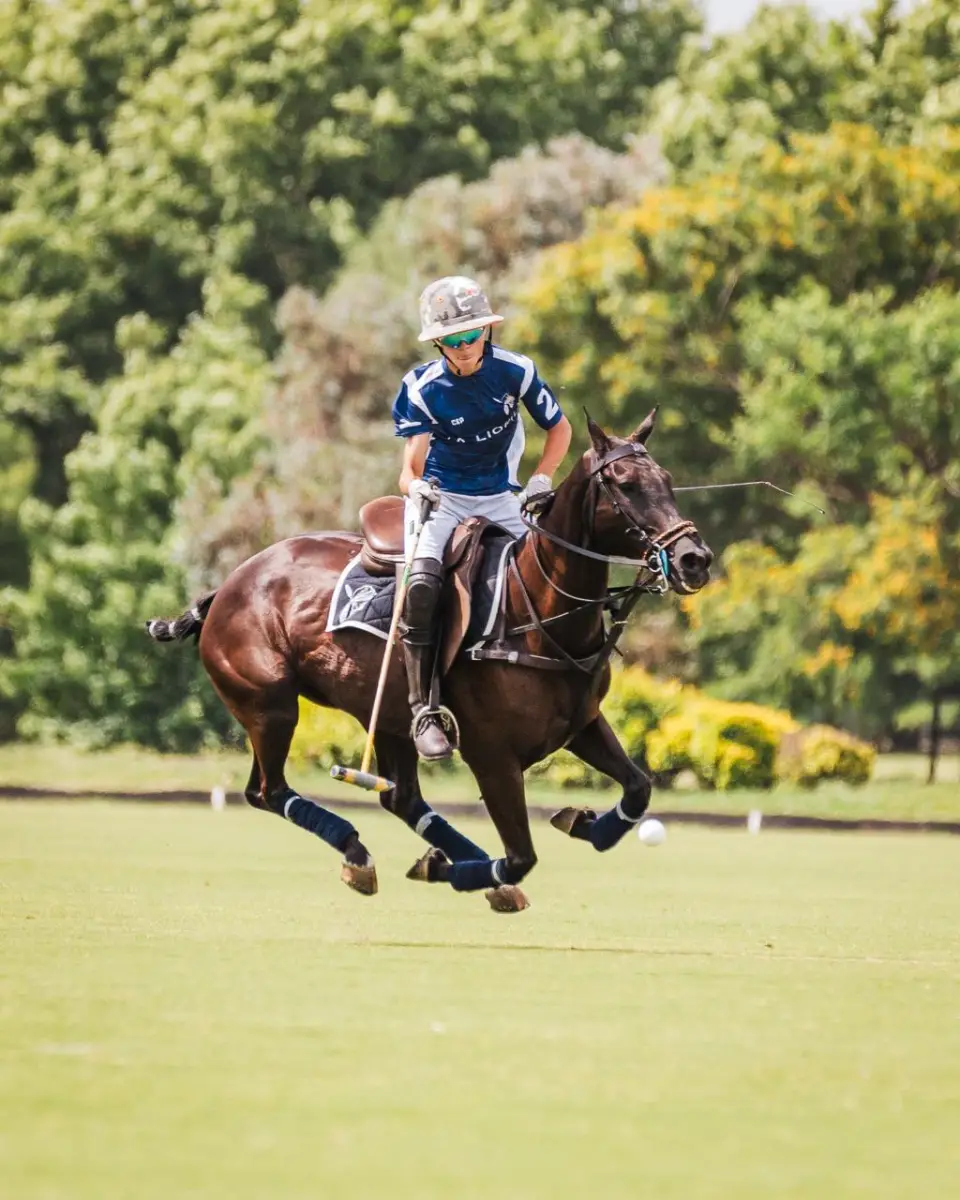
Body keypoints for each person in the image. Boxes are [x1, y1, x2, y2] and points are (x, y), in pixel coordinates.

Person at [392, 275, 572, 761]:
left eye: (472, 335)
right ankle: (423, 709)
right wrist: (420, 488)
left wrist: (542, 477)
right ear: (438, 344)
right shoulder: (423, 387)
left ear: (487, 332)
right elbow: (408, 472)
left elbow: (559, 429)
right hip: (443, 498)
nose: (465, 347)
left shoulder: (516, 372)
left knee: (555, 570)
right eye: (453, 340)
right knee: (423, 584)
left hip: (502, 496)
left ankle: (568, 674)